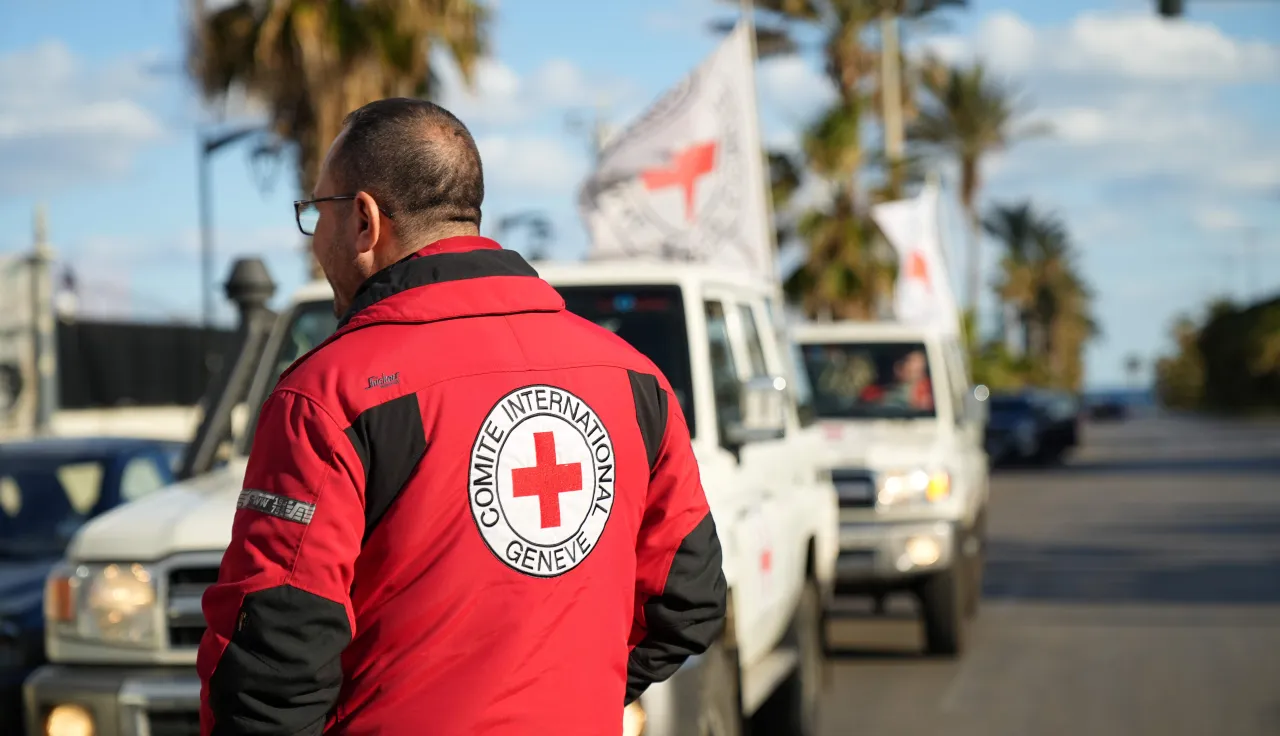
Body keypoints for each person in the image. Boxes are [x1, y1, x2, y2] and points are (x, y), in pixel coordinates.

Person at [196, 98, 727, 736]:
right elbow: (688, 602)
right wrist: (575, 693)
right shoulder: (632, 378)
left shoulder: (330, 394)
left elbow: (270, 667)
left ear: (363, 221)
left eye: (318, 214)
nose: (316, 240)